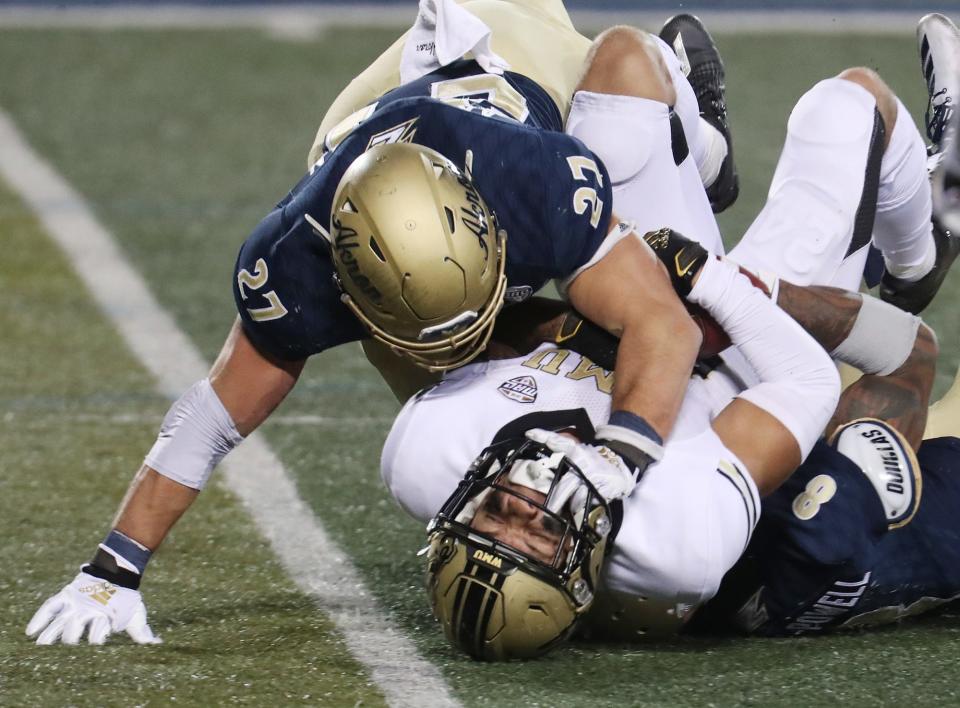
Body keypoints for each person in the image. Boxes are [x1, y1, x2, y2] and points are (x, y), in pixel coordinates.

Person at [23, 1, 738, 647]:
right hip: (365, 127)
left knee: (632, 130)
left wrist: (619, 458)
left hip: (522, 77)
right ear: (352, 287)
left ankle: (700, 138)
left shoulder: (542, 187)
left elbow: (665, 326)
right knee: (458, 398)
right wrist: (111, 571)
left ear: (493, 241)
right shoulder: (299, 261)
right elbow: (210, 418)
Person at [381, 14, 960, 659]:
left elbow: (489, 329)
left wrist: (590, 323)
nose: (527, 493)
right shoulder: (676, 532)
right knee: (848, 106)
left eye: (496, 515)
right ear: (581, 566)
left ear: (454, 517)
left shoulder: (426, 455)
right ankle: (919, 252)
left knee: (626, 63)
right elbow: (809, 379)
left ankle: (705, 160)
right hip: (744, 344)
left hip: (629, 306)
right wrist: (714, 282)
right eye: (540, 527)